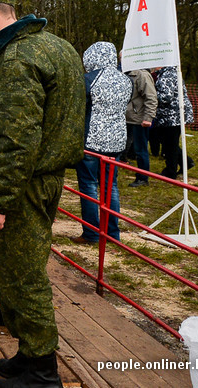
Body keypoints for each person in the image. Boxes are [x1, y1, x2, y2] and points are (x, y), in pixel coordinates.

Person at [0, 0, 84, 388]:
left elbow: (18, 137)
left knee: (22, 274)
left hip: (25, 181)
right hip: (47, 175)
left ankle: (42, 370)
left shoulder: (15, 60)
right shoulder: (57, 46)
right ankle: (29, 352)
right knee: (17, 266)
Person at [72, 41, 131, 245]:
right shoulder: (125, 80)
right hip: (116, 142)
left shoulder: (88, 79)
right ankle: (112, 234)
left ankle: (91, 233)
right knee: (110, 186)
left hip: (91, 141)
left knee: (89, 186)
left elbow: (78, 108)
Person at [150, 66, 194, 179]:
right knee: (169, 142)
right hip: (172, 114)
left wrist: (150, 93)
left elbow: (166, 97)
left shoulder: (167, 75)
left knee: (169, 144)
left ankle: (170, 171)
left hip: (172, 115)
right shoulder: (168, 73)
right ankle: (186, 162)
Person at [124, 66, 157, 186]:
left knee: (140, 150)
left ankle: (143, 178)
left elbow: (151, 97)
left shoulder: (142, 75)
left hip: (139, 120)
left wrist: (148, 118)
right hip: (125, 118)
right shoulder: (123, 72)